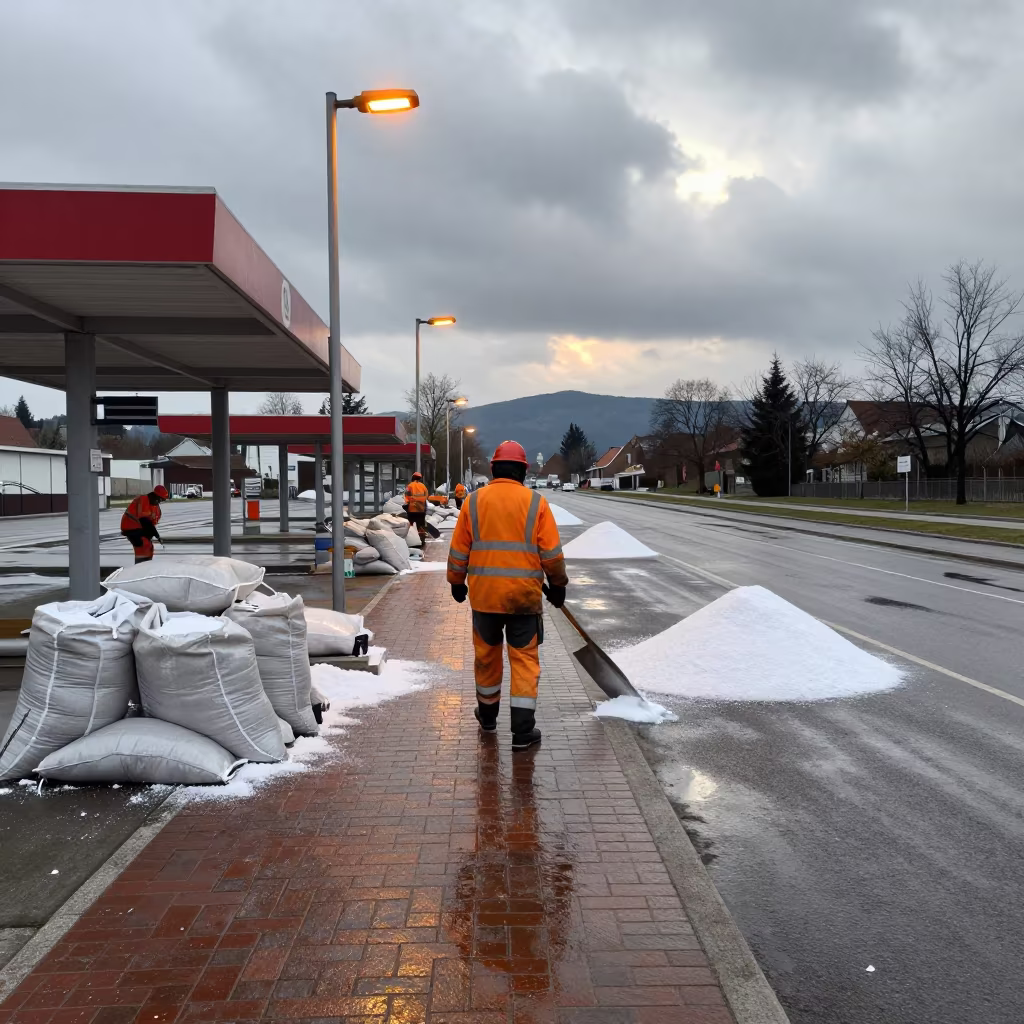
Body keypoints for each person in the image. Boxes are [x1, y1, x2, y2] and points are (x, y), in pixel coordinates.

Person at [446, 440, 568, 751]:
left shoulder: (473, 502)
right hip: (523, 600)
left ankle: (487, 719)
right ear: (524, 471)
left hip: (485, 598)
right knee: (525, 662)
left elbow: (459, 550)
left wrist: (456, 582)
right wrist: (558, 585)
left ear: (493, 469)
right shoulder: (536, 503)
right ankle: (522, 733)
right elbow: (551, 554)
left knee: (486, 658)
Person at [121, 485, 169, 563]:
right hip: (130, 526)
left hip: (140, 527)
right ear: (154, 495)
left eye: (162, 500)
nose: (160, 501)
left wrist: (155, 535)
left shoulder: (155, 508)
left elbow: (150, 523)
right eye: (160, 499)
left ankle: (146, 564)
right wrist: (157, 535)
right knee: (144, 544)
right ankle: (141, 565)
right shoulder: (144, 500)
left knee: (149, 545)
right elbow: (144, 520)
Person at [404, 471, 429, 544]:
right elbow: (426, 496)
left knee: (411, 525)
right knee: (421, 525)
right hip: (421, 509)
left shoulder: (410, 486)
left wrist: (408, 503)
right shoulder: (423, 486)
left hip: (412, 509)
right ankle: (422, 539)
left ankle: (412, 540)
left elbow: (407, 496)